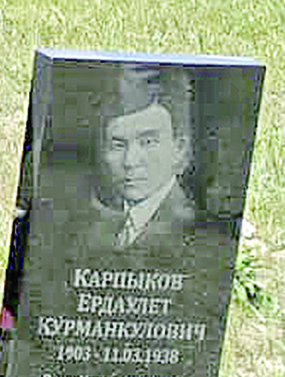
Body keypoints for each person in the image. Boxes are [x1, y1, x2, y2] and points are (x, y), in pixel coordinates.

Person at [84, 64, 199, 252]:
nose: (130, 162)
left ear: (179, 149)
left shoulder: (191, 229)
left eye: (148, 142)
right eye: (118, 145)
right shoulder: (103, 224)